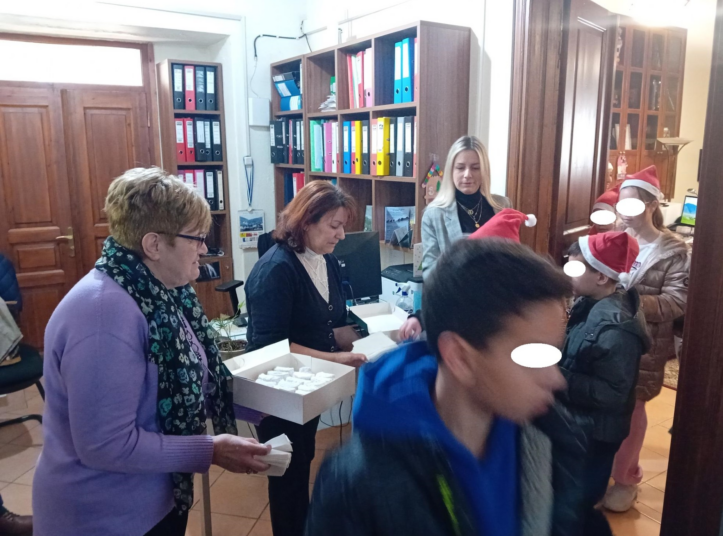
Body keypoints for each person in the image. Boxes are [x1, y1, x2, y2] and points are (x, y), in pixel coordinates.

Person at [33, 168, 271, 536]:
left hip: (151, 501)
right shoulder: (103, 314)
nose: (204, 248)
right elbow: (105, 446)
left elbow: (179, 388)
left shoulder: (159, 293)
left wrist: (271, 402)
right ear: (154, 245)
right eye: (197, 238)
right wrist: (209, 450)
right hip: (102, 518)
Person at [306, 213, 571, 536]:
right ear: (460, 357)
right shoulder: (356, 487)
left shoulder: (554, 435)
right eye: (532, 357)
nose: (557, 379)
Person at [244, 181, 367, 536]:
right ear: (306, 222)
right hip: (278, 393)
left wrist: (370, 341)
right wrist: (336, 359)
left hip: (308, 388)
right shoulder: (275, 271)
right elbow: (271, 348)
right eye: (334, 225)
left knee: (302, 462)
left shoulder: (325, 261)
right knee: (288, 480)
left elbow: (330, 322)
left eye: (343, 225)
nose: (341, 235)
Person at [545, 233, 650, 536]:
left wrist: (557, 375)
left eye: (575, 269)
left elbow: (612, 392)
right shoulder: (589, 302)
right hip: (579, 424)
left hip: (596, 433)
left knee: (578, 501)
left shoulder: (616, 329)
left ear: (602, 276)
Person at [603, 165, 690, 512]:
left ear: (652, 205)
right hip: (608, 340)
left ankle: (626, 479)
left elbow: (676, 301)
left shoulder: (673, 250)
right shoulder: (615, 237)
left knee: (632, 411)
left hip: (645, 347)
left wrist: (629, 303)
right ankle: (600, 474)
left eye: (633, 204)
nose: (624, 213)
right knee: (605, 408)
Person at [420, 135, 512, 279]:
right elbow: (429, 272)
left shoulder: (502, 206)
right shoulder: (434, 214)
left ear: (484, 171)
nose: (467, 175)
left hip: (498, 290)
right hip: (455, 290)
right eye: (460, 168)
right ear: (451, 171)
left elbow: (513, 258)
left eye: (475, 168)